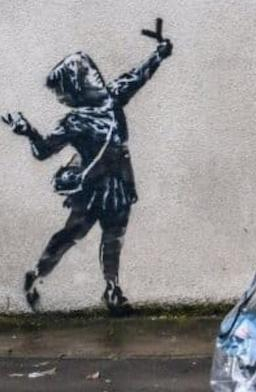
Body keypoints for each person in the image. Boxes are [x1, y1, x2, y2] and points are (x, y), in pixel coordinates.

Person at [2, 37, 173, 315]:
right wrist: (28, 131)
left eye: (62, 92)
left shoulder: (103, 102)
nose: (61, 99)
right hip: (95, 186)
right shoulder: (89, 112)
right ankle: (38, 273)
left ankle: (112, 289)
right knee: (74, 233)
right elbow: (45, 150)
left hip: (115, 184)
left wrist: (159, 54)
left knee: (112, 236)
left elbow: (139, 75)